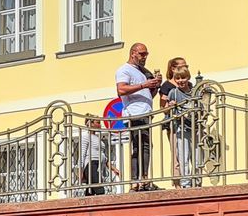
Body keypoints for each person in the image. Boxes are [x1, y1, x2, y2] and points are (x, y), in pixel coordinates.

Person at [114, 41, 159, 190]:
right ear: (133, 53)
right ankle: (137, 180)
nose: (144, 57)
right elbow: (121, 90)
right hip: (134, 113)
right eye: (142, 54)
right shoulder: (124, 70)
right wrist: (144, 85)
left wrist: (155, 86)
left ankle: (143, 179)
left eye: (146, 54)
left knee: (145, 146)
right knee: (139, 147)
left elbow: (148, 95)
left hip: (144, 112)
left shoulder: (142, 71)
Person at [159, 56, 200, 188]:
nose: (181, 80)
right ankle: (184, 183)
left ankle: (197, 181)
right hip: (179, 126)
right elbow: (164, 108)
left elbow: (201, 105)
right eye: (178, 78)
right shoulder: (170, 90)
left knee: (197, 155)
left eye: (184, 77)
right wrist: (171, 105)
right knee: (181, 156)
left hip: (194, 125)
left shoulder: (194, 90)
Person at [77, 113, 121, 196]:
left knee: (91, 190)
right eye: (98, 122)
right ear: (90, 124)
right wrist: (80, 171)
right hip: (91, 165)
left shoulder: (98, 138)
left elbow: (104, 156)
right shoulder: (86, 137)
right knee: (99, 189)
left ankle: (86, 206)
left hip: (99, 166)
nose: (100, 125)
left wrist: (114, 169)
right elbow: (82, 154)